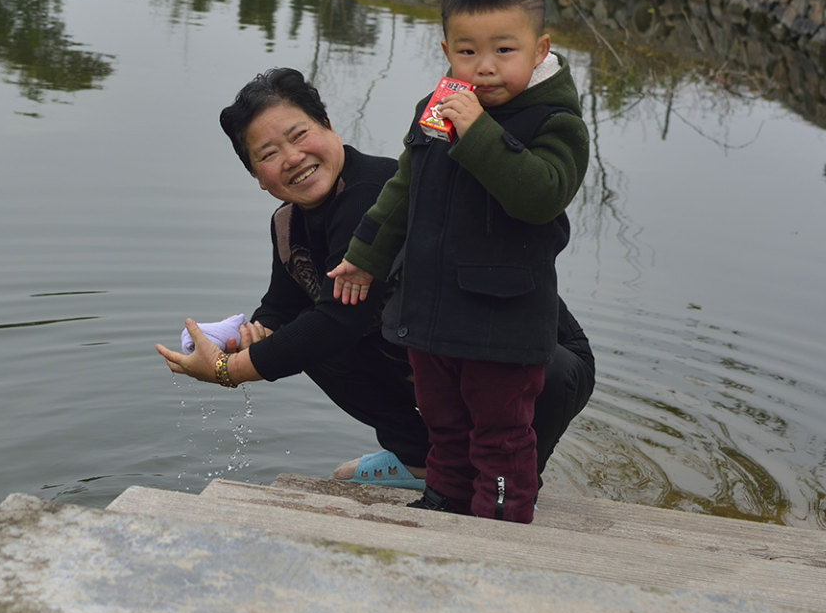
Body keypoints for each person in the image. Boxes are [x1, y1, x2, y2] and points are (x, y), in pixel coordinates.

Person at [155, 66, 595, 488]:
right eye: (268, 154)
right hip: (450, 363)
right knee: (303, 337)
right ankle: (420, 455)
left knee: (324, 332)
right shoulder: (287, 223)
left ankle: (492, 474)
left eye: (299, 135)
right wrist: (249, 335)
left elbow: (339, 321)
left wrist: (229, 370)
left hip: (545, 364)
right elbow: (283, 306)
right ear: (257, 177)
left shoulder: (376, 191)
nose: (292, 158)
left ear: (329, 126)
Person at [328, 0, 589, 524]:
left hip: (503, 321)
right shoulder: (439, 105)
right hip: (434, 310)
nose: (485, 66)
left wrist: (479, 131)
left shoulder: (555, 122)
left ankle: (499, 522)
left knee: (501, 433)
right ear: (447, 49)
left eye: (504, 50)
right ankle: (444, 503)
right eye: (468, 51)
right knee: (443, 424)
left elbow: (541, 195)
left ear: (540, 50)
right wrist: (364, 257)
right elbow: (404, 188)